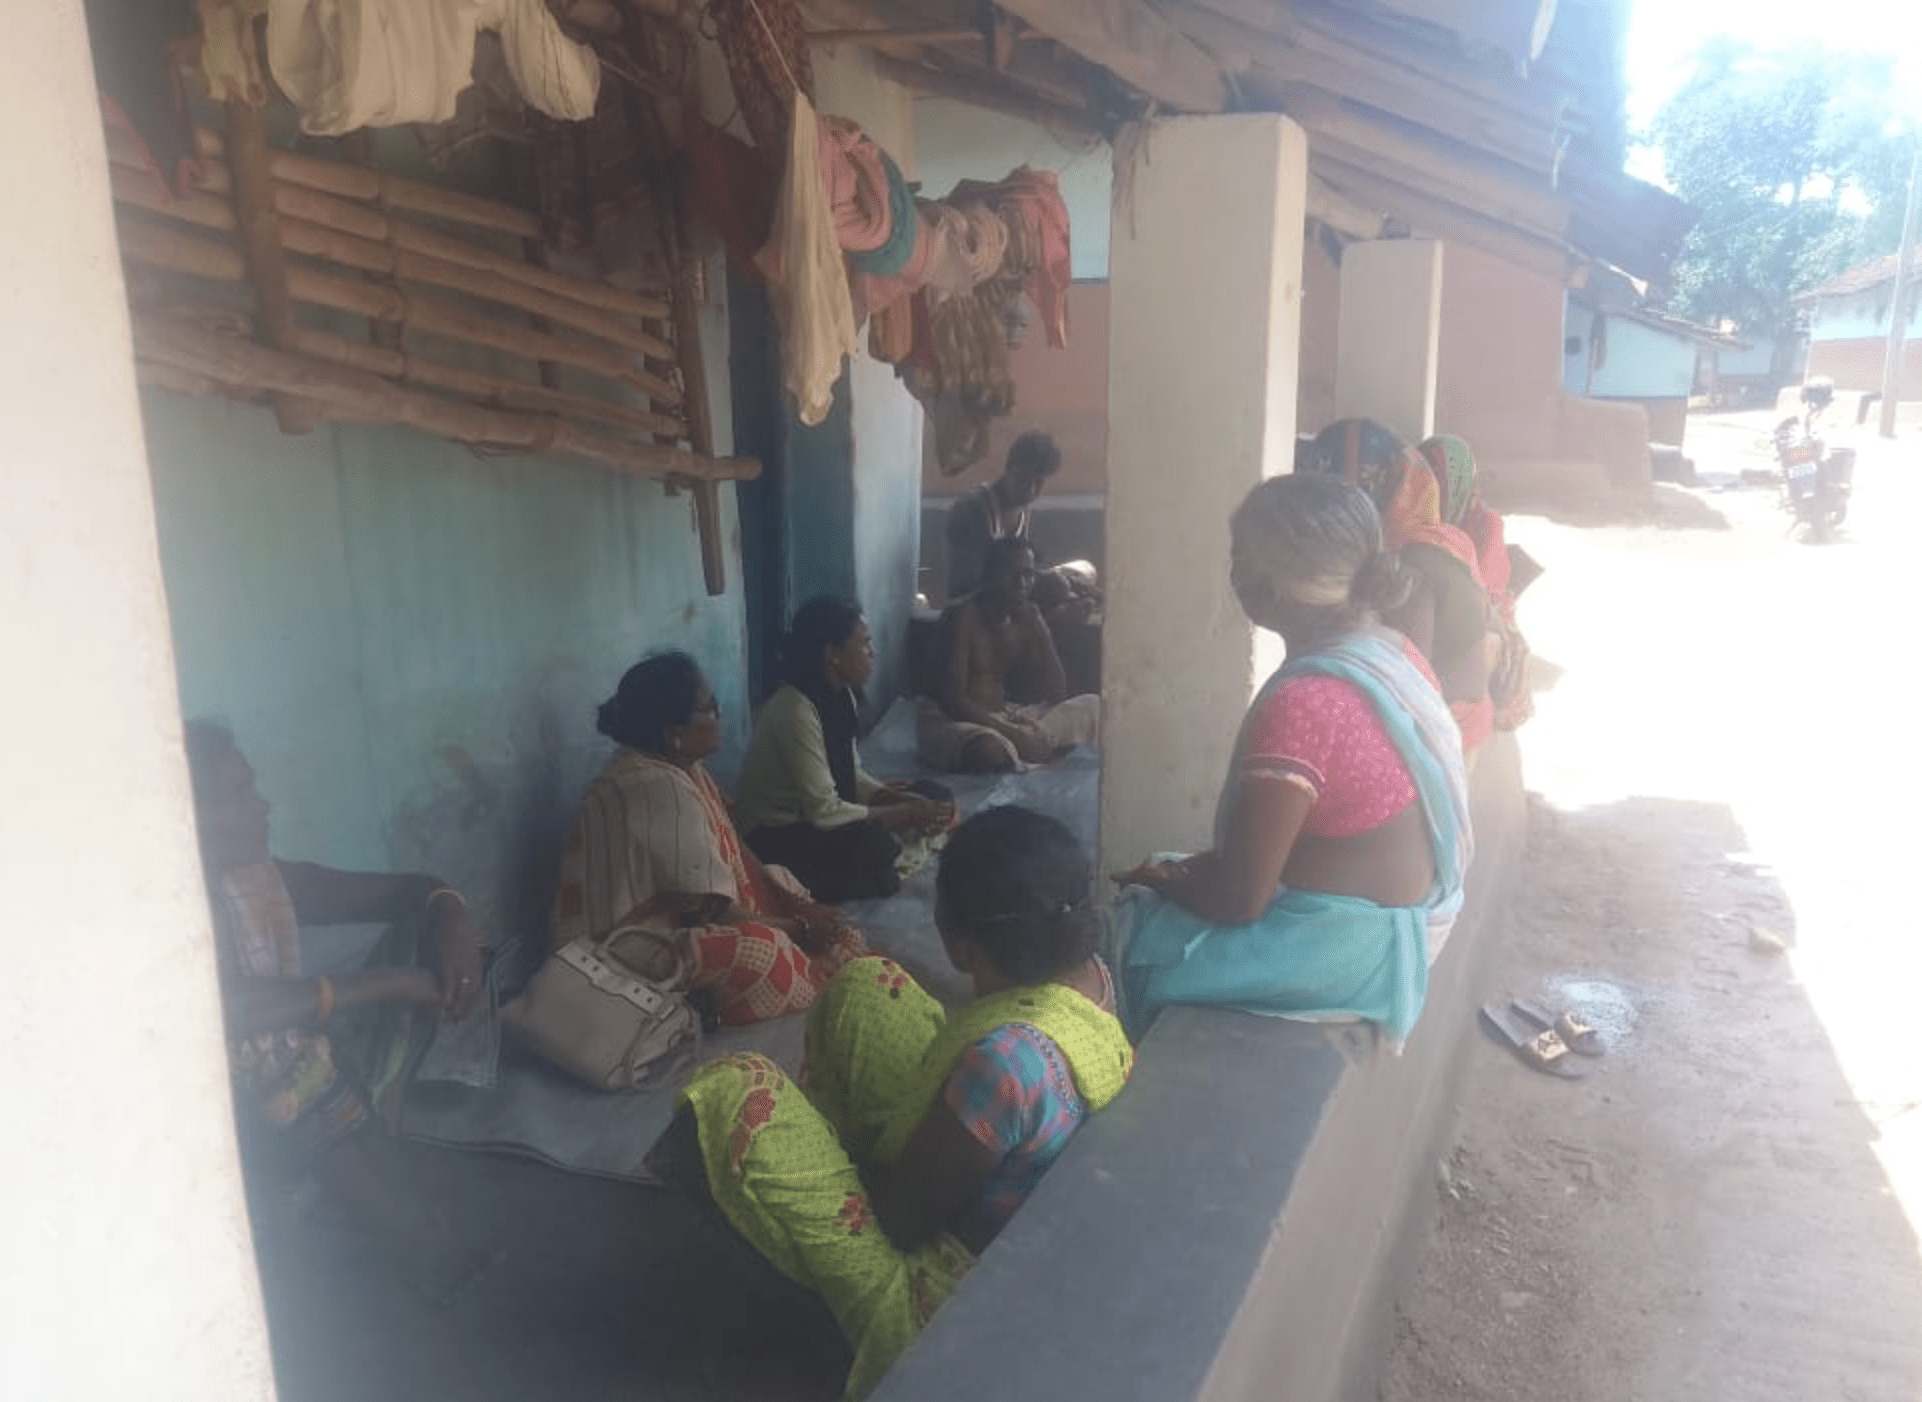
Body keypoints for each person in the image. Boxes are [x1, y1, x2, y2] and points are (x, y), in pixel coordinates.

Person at [649, 806, 1133, 1401]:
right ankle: (822, 1180)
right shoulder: (1092, 980)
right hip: (1005, 1210)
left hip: (945, 1295)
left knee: (735, 1090)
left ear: (962, 945)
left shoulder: (1004, 1064)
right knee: (868, 984)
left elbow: (901, 1223)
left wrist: (862, 1173)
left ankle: (828, 1323)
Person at [1113, 474, 1473, 1046]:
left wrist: (1165, 883)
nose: (1232, 573)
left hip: (1352, 949)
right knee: (1169, 873)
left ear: (1268, 585)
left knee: (1132, 937)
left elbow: (1239, 900)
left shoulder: (1303, 705)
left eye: (1239, 558)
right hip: (1399, 920)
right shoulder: (1392, 649)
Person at [183, 719, 492, 1298]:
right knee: (277, 1059)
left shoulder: (260, 882)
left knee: (433, 944)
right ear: (186, 816)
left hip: (286, 1066)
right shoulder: (160, 901)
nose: (262, 804)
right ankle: (403, 1229)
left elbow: (405, 891)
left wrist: (452, 912)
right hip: (201, 1093)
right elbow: (224, 1013)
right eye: (239, 794)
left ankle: (376, 1180)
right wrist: (388, 983)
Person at [548, 652, 868, 1027]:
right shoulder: (656, 787)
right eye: (709, 707)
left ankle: (715, 993)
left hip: (676, 919)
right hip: (620, 952)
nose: (720, 713)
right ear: (674, 734)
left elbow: (737, 849)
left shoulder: (679, 768)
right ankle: (703, 1003)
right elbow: (708, 908)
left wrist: (794, 907)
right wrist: (798, 928)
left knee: (782, 878)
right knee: (761, 950)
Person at [735, 597, 957, 904]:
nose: (872, 652)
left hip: (816, 818)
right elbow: (824, 811)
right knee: (873, 848)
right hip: (774, 833)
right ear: (833, 656)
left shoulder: (842, 697)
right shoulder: (794, 709)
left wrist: (897, 799)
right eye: (864, 644)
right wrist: (903, 813)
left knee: (934, 794)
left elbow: (852, 774)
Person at [1303, 418, 1496, 751]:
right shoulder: (1430, 538)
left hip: (1439, 733)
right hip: (1441, 720)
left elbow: (1406, 687)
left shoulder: (1413, 565)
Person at [917, 537, 1100, 773]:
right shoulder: (963, 616)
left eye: (1028, 575)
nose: (1021, 583)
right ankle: (1031, 750)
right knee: (990, 750)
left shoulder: (1025, 617)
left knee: (1093, 707)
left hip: (1004, 715)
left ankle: (1029, 750)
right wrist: (1017, 735)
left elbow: (1057, 693)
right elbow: (953, 700)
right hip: (951, 721)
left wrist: (1041, 628)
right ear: (989, 575)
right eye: (1011, 574)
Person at [1417, 433, 1536, 732]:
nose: (1433, 490)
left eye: (1437, 481)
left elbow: (1485, 589)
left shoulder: (1483, 526)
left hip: (1474, 653)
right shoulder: (1412, 527)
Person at [944, 429, 1062, 602]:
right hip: (972, 609)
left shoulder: (1021, 510)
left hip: (1006, 604)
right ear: (1008, 470)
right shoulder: (972, 508)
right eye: (1023, 479)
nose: (1030, 489)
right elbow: (970, 581)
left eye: (1038, 482)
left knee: (1066, 583)